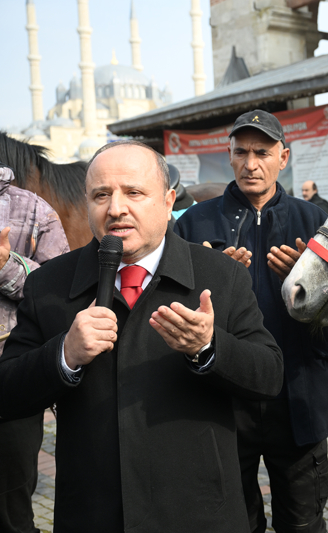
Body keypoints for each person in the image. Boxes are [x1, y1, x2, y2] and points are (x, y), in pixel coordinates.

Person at [0, 141, 284, 532]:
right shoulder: (49, 284)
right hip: (93, 516)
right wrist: (64, 354)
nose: (116, 208)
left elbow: (269, 375)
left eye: (133, 192)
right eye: (101, 195)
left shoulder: (220, 275)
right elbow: (8, 392)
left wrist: (208, 348)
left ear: (168, 202)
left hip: (200, 514)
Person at [174, 110, 328, 533]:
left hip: (299, 395)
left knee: (303, 523)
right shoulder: (194, 223)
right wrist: (211, 279)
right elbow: (170, 308)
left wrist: (311, 284)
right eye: (241, 152)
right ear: (229, 156)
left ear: (283, 158)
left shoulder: (316, 223)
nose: (251, 164)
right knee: (233, 523)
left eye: (262, 152)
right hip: (224, 401)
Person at [0, 162, 69, 533]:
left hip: (11, 372)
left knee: (12, 498)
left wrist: (5, 265)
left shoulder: (33, 210)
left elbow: (58, 290)